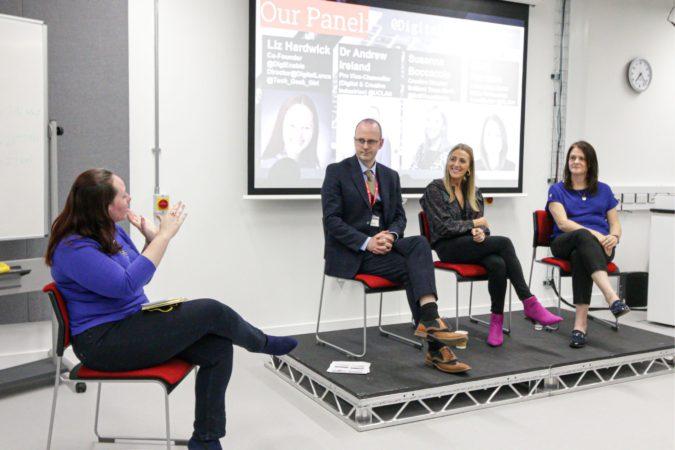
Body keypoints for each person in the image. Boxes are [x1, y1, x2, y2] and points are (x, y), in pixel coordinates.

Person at [45, 169, 297, 450]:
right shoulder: (73, 248)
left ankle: (205, 439)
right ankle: (261, 343)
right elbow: (126, 285)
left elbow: (138, 274)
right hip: (102, 343)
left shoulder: (111, 229)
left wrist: (151, 238)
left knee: (217, 347)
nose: (129, 198)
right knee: (211, 311)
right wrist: (163, 237)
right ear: (103, 206)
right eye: (123, 194)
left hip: (131, 323)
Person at [321, 118, 471, 374]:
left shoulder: (390, 176)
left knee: (420, 244)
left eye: (370, 141)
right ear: (354, 140)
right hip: (354, 252)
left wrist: (391, 234)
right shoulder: (337, 171)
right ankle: (435, 342)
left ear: (380, 143)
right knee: (411, 268)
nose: (365, 146)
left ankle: (429, 320)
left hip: (385, 246)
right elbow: (331, 221)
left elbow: (400, 216)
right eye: (360, 140)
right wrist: (367, 242)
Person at [420, 144, 562, 347]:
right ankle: (529, 301)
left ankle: (497, 321)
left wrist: (480, 232)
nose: (456, 164)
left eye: (462, 161)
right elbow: (443, 227)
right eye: (453, 159)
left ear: (469, 168)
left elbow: (483, 228)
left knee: (497, 263)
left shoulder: (474, 193)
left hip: (469, 245)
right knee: (505, 243)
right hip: (447, 248)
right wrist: (475, 224)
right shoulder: (435, 189)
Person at [547, 141, 629, 348]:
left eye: (581, 158)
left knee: (580, 256)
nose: (575, 161)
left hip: (599, 247)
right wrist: (596, 235)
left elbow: (615, 223)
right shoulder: (557, 189)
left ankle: (580, 326)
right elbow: (563, 223)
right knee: (583, 237)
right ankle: (612, 297)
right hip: (564, 242)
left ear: (590, 164)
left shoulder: (603, 190)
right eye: (572, 158)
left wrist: (614, 237)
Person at [262, 94, 319, 170]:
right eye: (292, 126)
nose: (299, 134)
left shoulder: (316, 168)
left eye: (306, 127)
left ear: (314, 131)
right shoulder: (266, 166)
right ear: (281, 126)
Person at [411, 106, 450, 171]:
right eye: (428, 120)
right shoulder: (421, 148)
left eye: (436, 121)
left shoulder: (449, 151)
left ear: (443, 127)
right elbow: (412, 171)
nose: (431, 125)